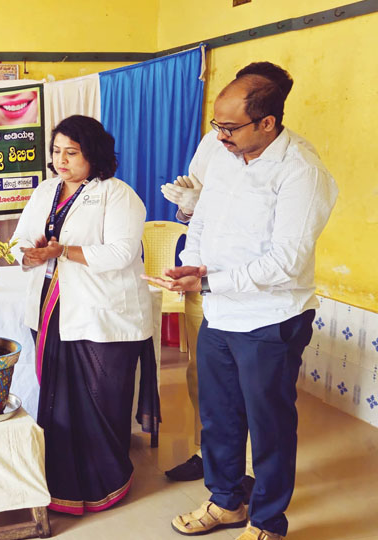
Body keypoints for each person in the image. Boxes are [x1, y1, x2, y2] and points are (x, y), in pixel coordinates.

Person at [145, 63, 337, 540]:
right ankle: (226, 501)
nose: (219, 136)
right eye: (216, 124)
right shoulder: (226, 155)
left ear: (267, 123)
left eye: (229, 127)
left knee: (269, 425)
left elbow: (287, 262)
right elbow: (203, 217)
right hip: (221, 313)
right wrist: (192, 262)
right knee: (219, 416)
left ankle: (269, 521)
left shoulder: (301, 171)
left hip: (271, 318)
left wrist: (209, 283)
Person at [11, 114, 158, 515]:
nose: (62, 160)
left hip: (104, 315)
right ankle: (61, 481)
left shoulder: (118, 194)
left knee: (102, 399)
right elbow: (20, 239)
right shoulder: (45, 191)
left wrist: (63, 252)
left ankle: (107, 480)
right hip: (51, 307)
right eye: (57, 152)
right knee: (59, 400)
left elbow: (121, 252)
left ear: (93, 154)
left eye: (71, 153)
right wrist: (30, 251)